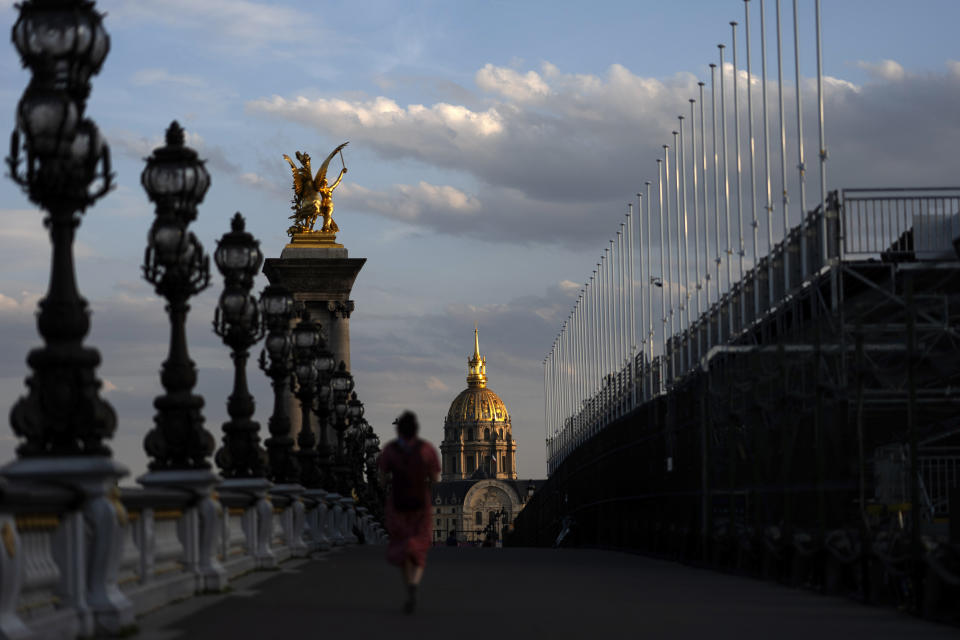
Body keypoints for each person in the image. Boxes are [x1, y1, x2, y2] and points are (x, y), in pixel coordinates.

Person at [378, 410, 440, 614]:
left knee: (402, 543)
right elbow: (436, 478)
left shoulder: (390, 450)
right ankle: (415, 582)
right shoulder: (426, 449)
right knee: (420, 544)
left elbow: (381, 477)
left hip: (397, 504)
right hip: (420, 504)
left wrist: (391, 482)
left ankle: (408, 586)